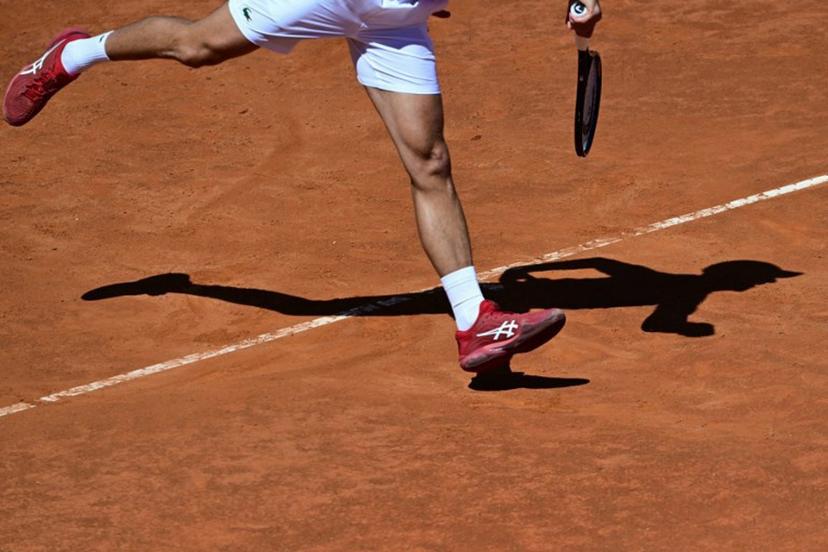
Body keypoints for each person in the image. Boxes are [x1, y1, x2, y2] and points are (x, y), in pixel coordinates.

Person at [3, 0, 602, 374]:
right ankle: (72, 55)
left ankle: (475, 320)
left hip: (396, 20)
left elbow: (598, 265)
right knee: (196, 47)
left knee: (431, 162)